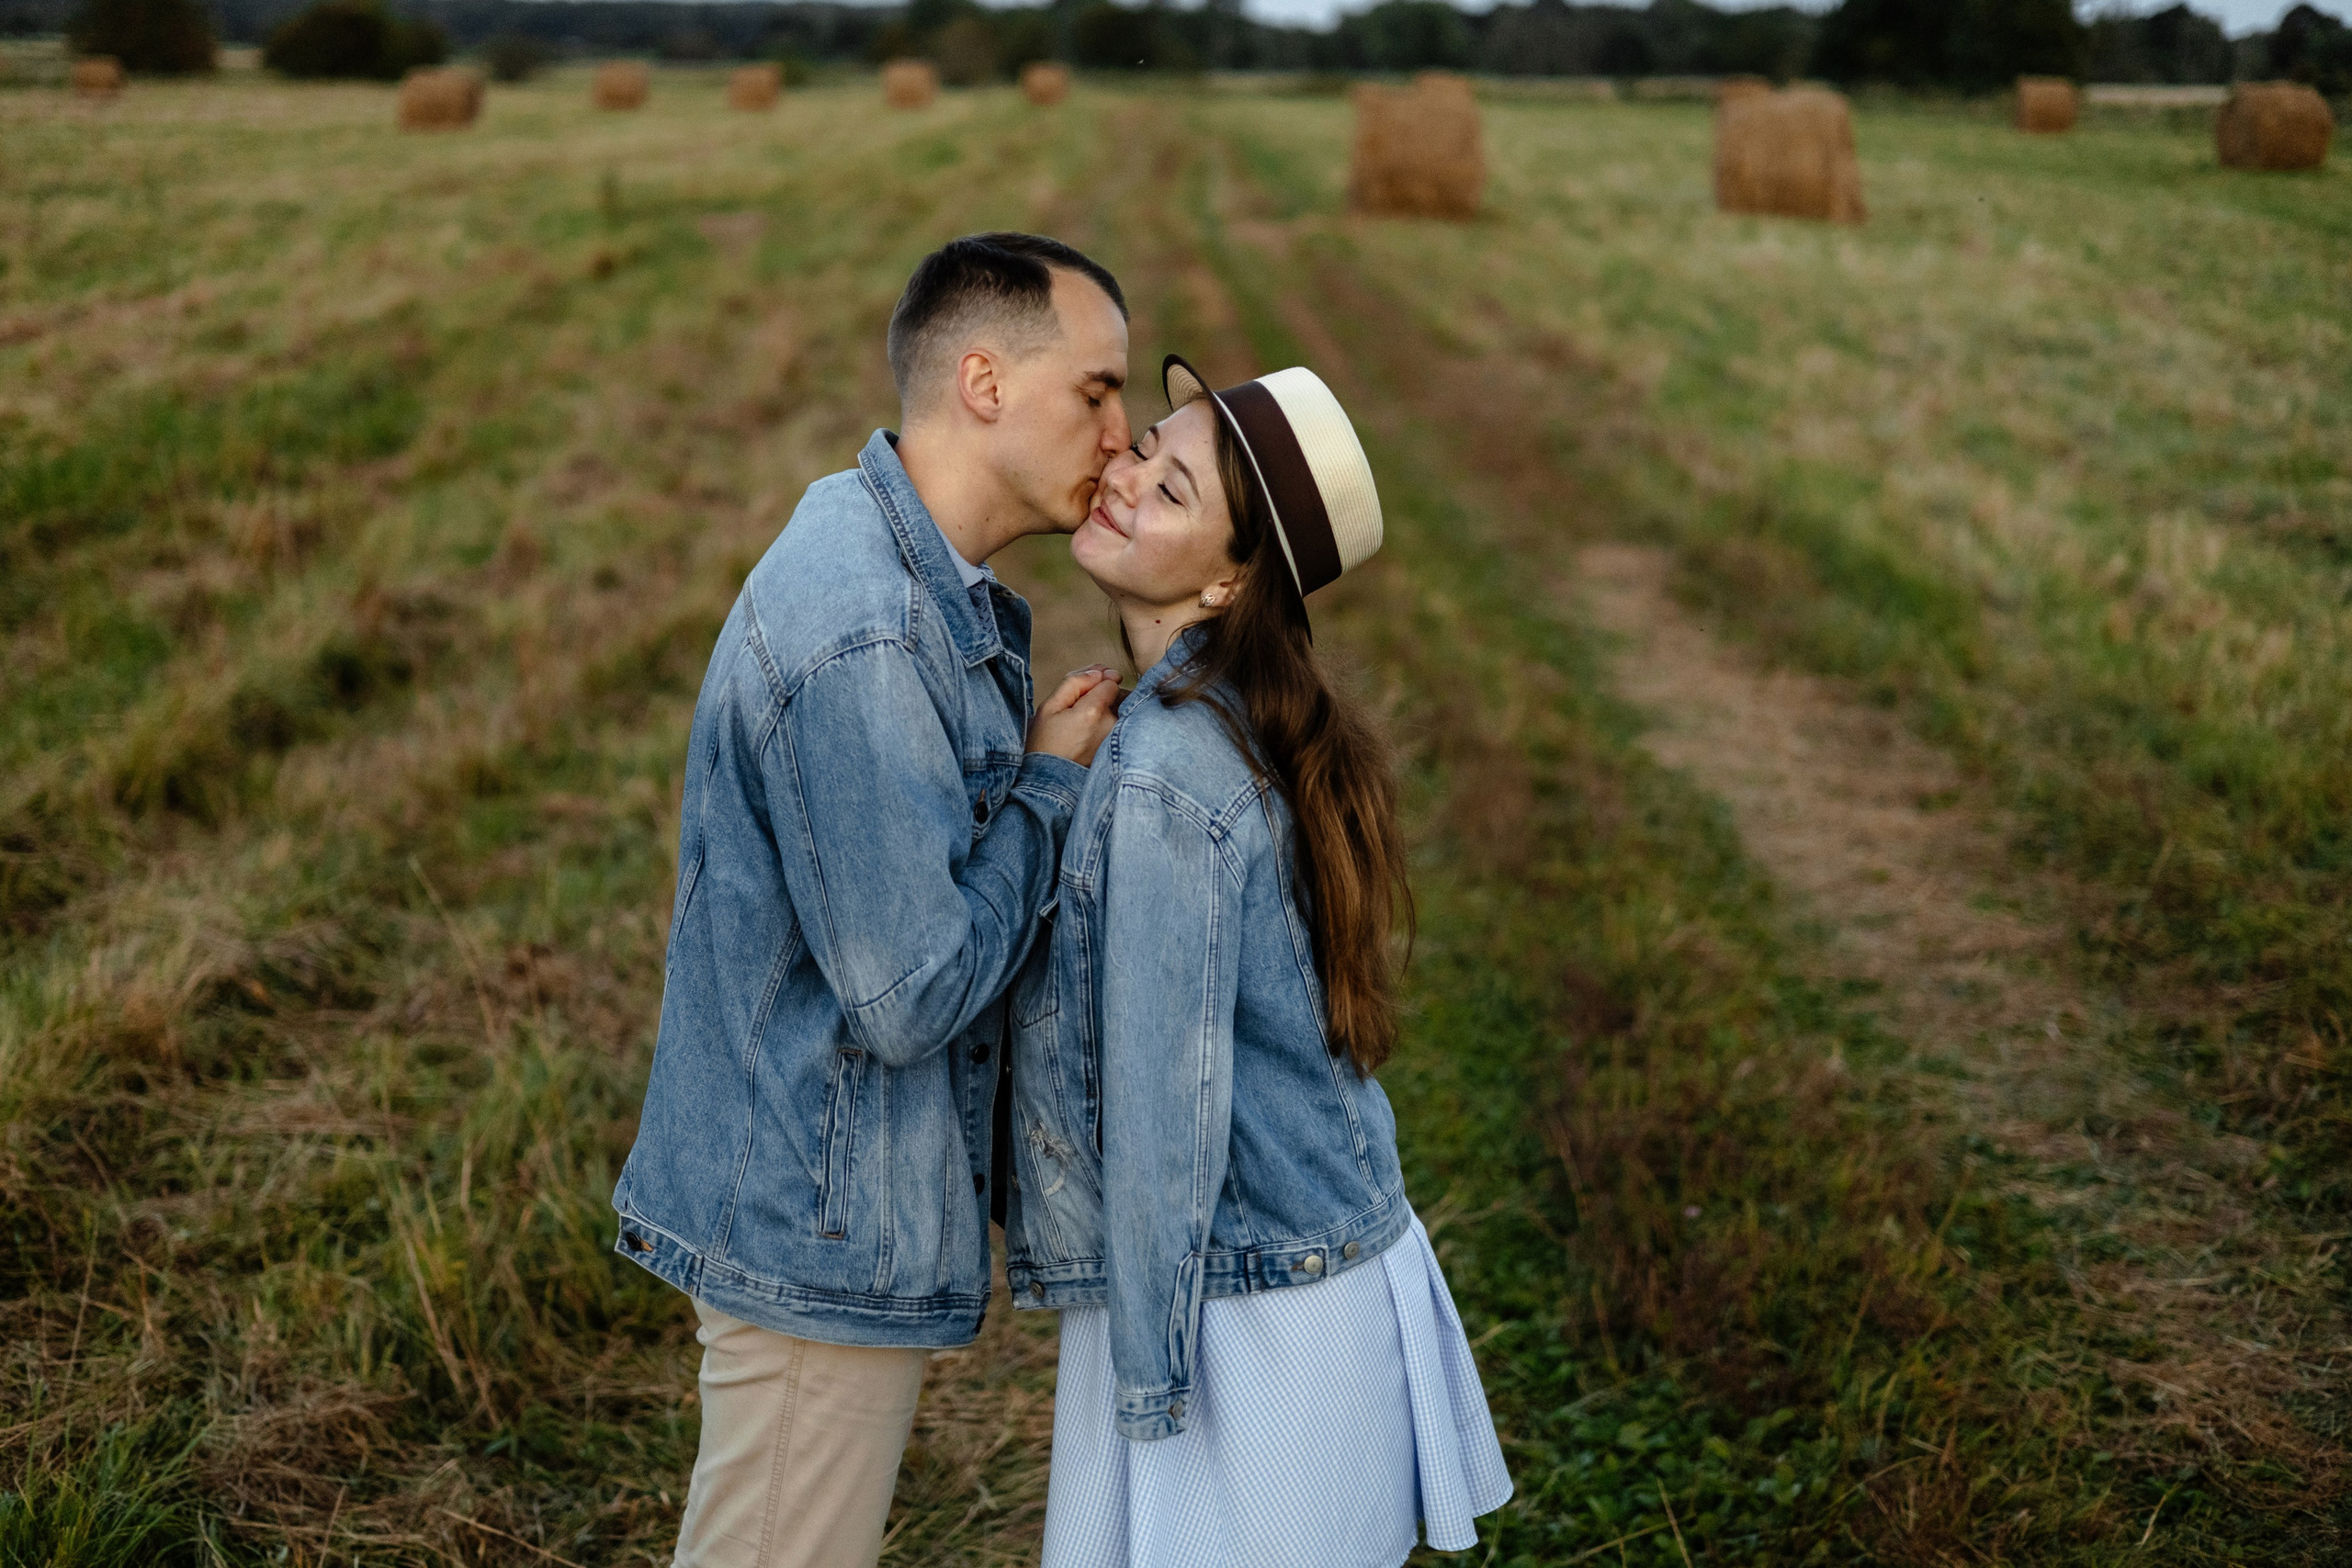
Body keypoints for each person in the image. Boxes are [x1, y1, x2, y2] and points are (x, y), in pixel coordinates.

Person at [612, 232, 1134, 1568]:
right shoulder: (864, 629)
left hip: (821, 1207)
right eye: (1097, 391)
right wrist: (1049, 792)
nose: (1121, 437)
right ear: (983, 382)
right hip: (814, 1229)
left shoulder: (906, 573)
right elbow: (911, 993)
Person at [1004, 355, 1513, 1567]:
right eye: (1147, 450)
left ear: (1229, 580)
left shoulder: (1171, 773)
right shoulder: (1222, 718)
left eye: (1171, 490)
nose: (1124, 479)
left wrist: (1146, 1380)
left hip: (1240, 1307)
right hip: (1289, 1267)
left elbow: (1162, 1104)